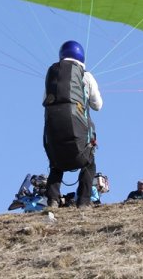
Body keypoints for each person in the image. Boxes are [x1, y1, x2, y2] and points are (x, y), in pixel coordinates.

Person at [43, 40, 103, 208]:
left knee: (55, 163)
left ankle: (52, 200)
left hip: (54, 132)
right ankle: (84, 202)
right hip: (78, 132)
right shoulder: (86, 75)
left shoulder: (51, 75)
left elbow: (44, 101)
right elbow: (97, 106)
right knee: (89, 162)